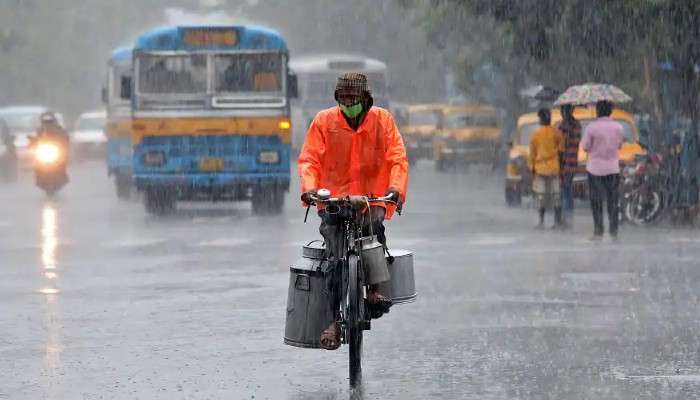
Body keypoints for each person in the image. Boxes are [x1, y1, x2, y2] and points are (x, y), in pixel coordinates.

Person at [298, 72, 409, 350]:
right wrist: (310, 189)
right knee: (335, 260)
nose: (348, 103)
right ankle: (334, 321)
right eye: (343, 98)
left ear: (365, 98)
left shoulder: (382, 121)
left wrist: (396, 189)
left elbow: (397, 157)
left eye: (353, 98)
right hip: (334, 200)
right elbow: (310, 159)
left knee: (374, 235)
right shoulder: (324, 121)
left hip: (372, 199)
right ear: (337, 98)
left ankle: (374, 290)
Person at [581, 100, 625, 240]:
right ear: (610, 111)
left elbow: (585, 147)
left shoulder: (591, 128)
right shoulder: (618, 127)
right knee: (613, 201)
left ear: (598, 111)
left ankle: (598, 231)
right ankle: (614, 231)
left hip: (595, 169)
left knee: (596, 200)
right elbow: (619, 145)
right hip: (613, 169)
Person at [529, 108, 564, 229]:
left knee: (541, 195)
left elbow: (532, 153)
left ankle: (541, 222)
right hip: (554, 168)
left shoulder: (536, 135)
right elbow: (561, 149)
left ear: (541, 119)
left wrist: (532, 167)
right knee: (556, 195)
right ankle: (558, 222)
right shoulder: (556, 133)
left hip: (540, 168)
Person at [557, 104, 582, 228]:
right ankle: (566, 216)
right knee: (566, 188)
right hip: (570, 162)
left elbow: (563, 144)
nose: (563, 112)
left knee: (565, 189)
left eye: (564, 110)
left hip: (567, 162)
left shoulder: (567, 126)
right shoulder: (574, 125)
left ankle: (567, 217)